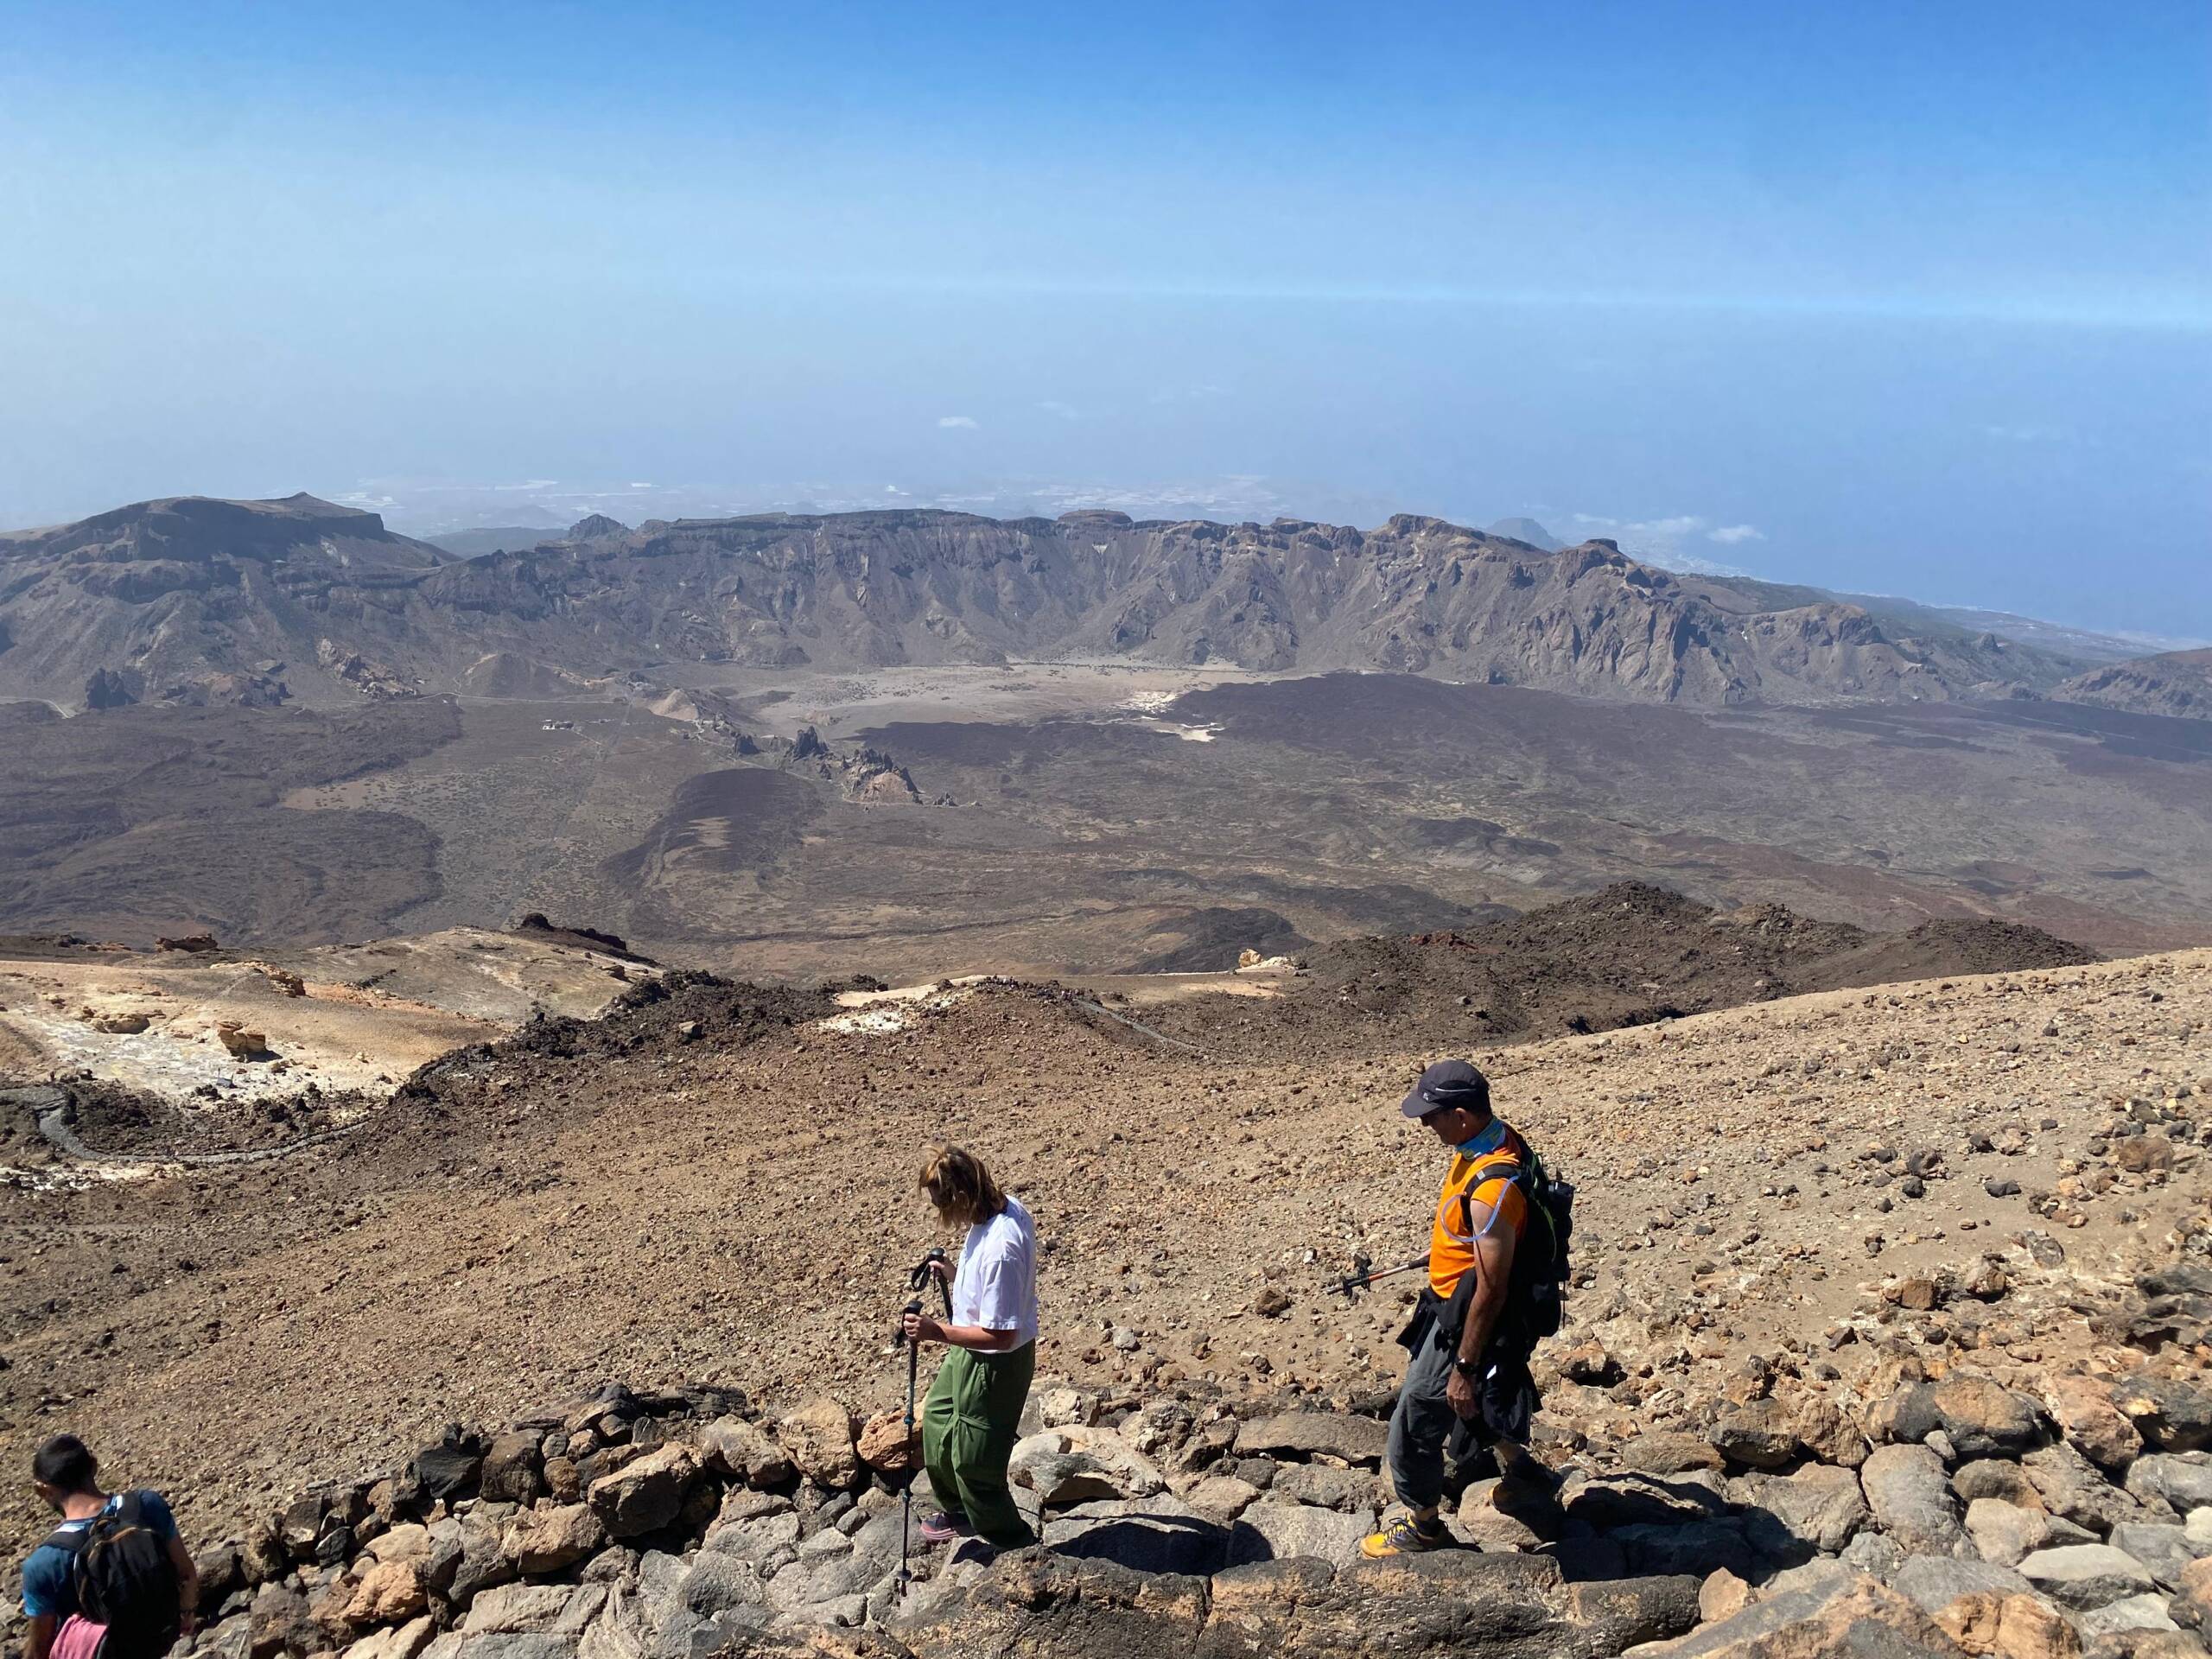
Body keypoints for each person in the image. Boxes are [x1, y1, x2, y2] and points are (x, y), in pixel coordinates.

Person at [1363, 1058, 1547, 1557]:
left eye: (1432, 1115)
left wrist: (1464, 1364)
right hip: (1453, 1298)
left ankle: (1423, 1526)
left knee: (1419, 1413)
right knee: (1465, 1399)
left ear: (1462, 1115)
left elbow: (1492, 1285)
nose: (1426, 1124)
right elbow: (1483, 1238)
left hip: (1465, 1315)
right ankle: (1522, 1468)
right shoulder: (1493, 1138)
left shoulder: (1492, 1185)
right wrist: (1445, 1249)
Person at [900, 1145, 1039, 1552]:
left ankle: (1014, 1546)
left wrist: (934, 1331)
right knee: (940, 1419)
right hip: (970, 1346)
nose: (940, 1215)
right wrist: (954, 1273)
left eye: (940, 1204)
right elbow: (989, 1296)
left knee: (974, 1461)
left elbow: (1002, 1335)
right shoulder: (999, 1208)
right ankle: (961, 1512)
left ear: (961, 1198)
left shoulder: (1002, 1248)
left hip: (996, 1363)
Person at [21, 1434, 198, 1659]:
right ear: (94, 1466)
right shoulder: (145, 1505)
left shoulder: (44, 1562)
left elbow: (39, 1651)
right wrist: (187, 1614)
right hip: (160, 1638)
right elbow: (186, 1572)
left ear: (42, 1490)